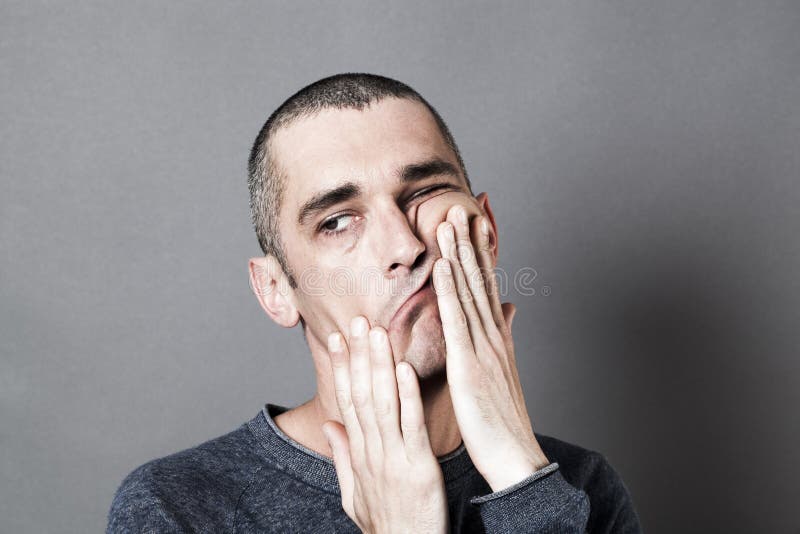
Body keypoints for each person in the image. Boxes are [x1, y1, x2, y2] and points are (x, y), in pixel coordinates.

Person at [107, 73, 642, 533]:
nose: (406, 248)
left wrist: (521, 476)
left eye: (425, 192)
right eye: (337, 221)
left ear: (488, 232)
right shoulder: (179, 507)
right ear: (276, 289)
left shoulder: (580, 488)